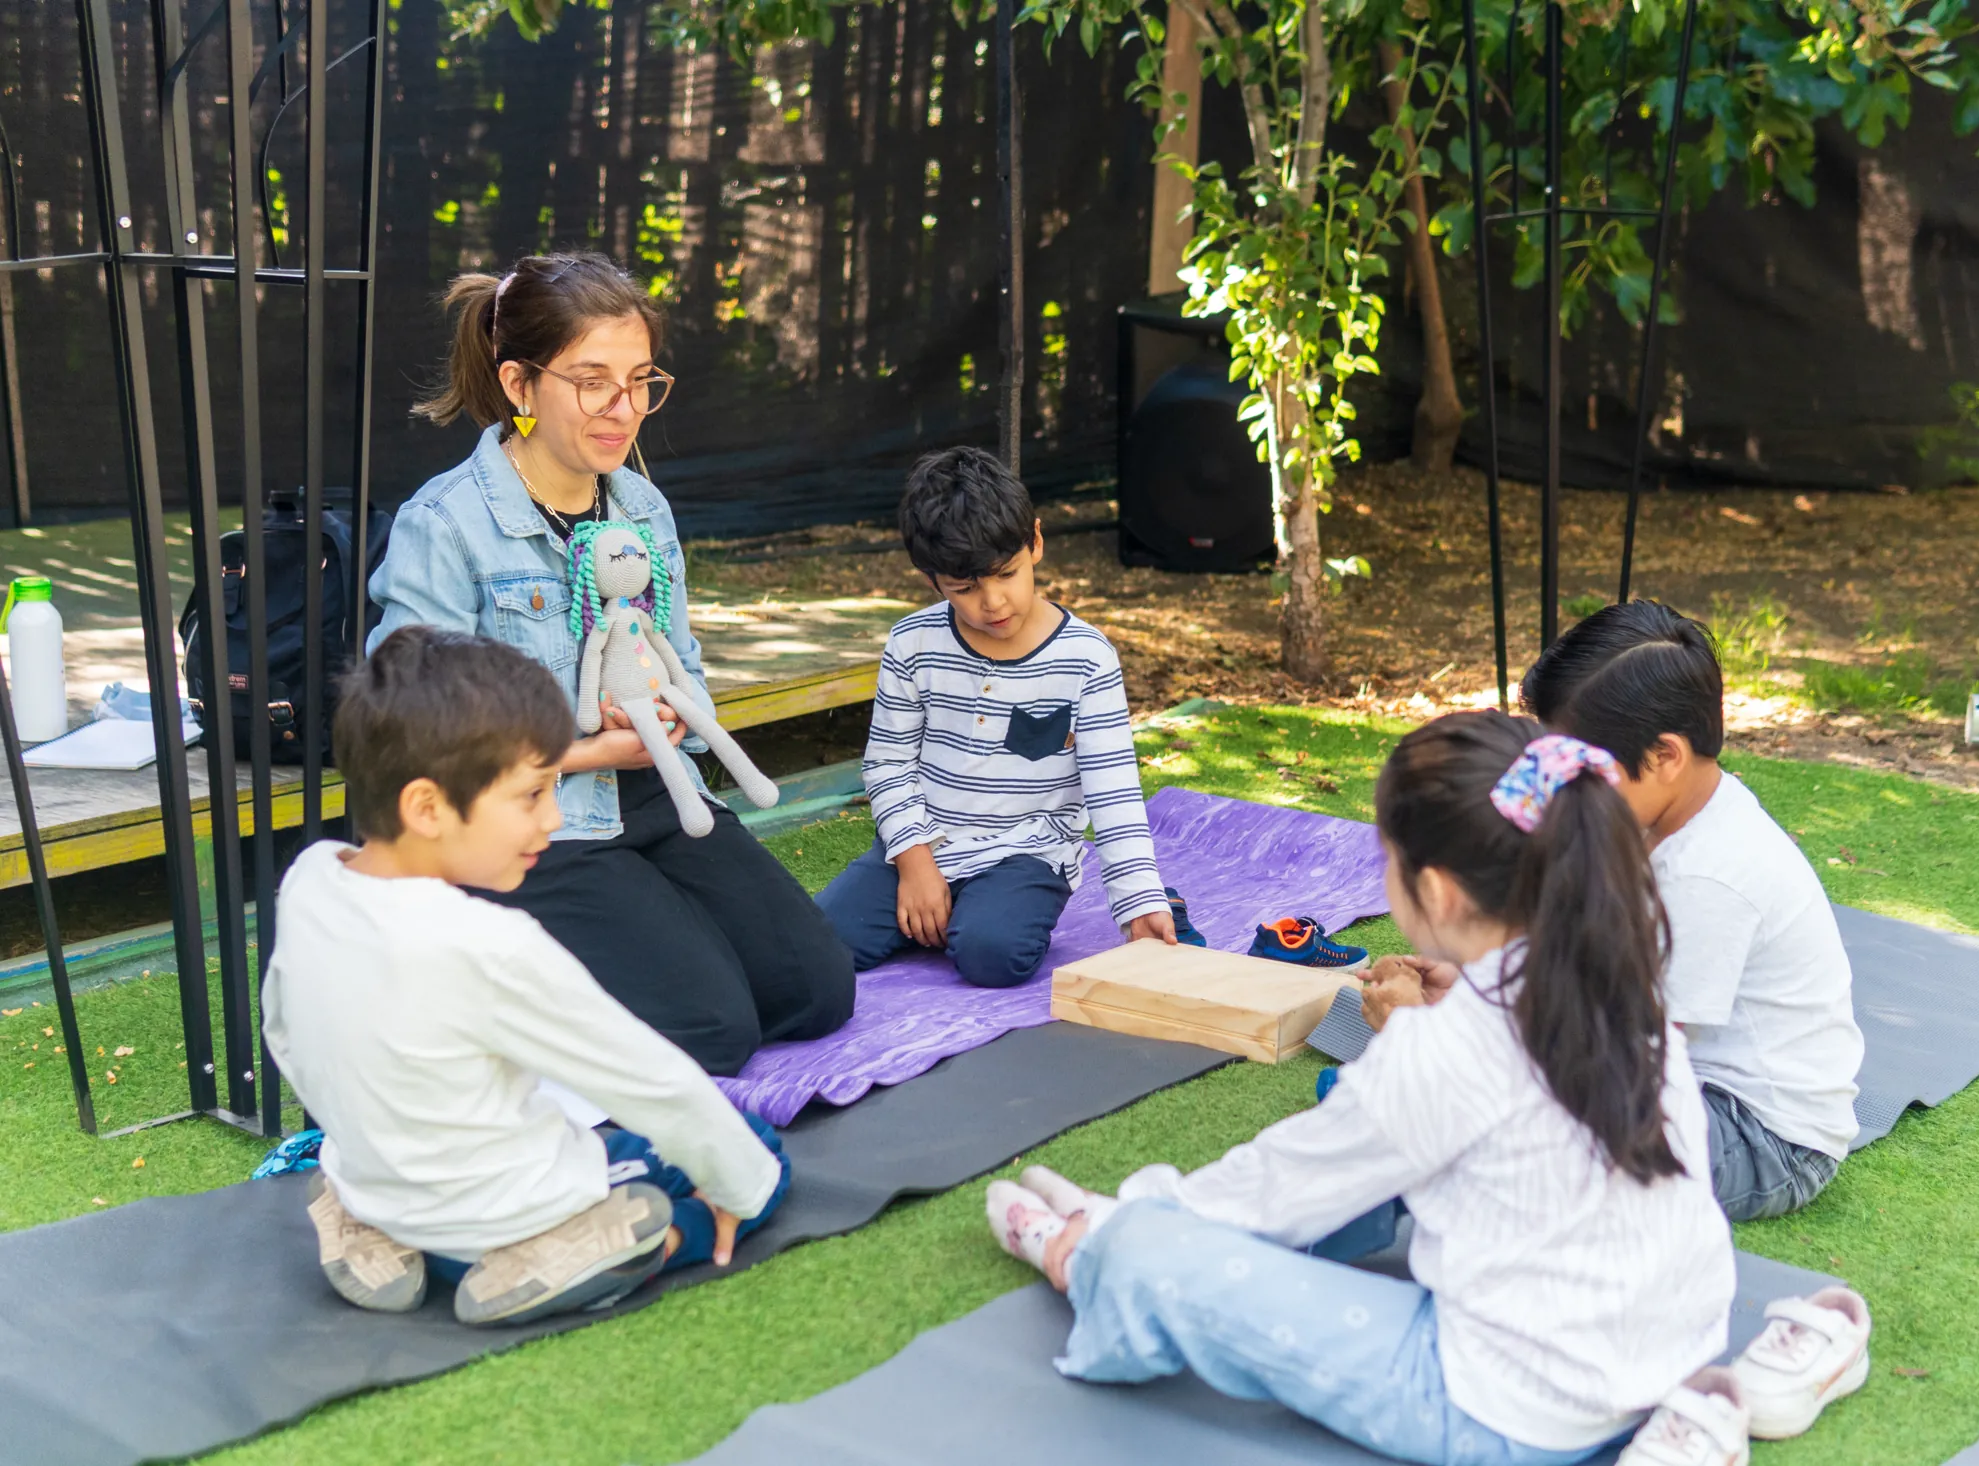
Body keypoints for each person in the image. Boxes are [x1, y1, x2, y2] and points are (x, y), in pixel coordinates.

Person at [978, 713, 1755, 1465]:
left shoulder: (1446, 1047)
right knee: (1352, 1146)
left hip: (1516, 1411)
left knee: (1157, 1249)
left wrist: (1129, 1219)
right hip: (1671, 1351)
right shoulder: (1613, 972)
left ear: (1439, 892)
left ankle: (1081, 1253)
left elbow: (1275, 1184)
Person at [370, 252, 854, 1078]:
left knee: (817, 991)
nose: (622, 409)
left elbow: (683, 659)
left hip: (658, 793)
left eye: (639, 381)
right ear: (520, 384)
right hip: (535, 824)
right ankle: (492, 995)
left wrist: (673, 709)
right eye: (592, 381)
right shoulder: (445, 524)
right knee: (714, 1030)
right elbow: (417, 737)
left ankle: (614, 954)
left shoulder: (640, 505)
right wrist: (595, 750)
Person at [264, 627, 789, 1326]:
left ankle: (362, 1216)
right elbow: (652, 1082)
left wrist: (362, 1143)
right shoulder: (491, 943)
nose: (553, 816)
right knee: (756, 1150)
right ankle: (645, 1241)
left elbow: (285, 1029)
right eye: (533, 793)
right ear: (427, 807)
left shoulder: (312, 880)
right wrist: (742, 1187)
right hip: (504, 1222)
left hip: (377, 1184)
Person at [1516, 600, 1864, 1223]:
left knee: (1532, 1140)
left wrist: (1467, 1033)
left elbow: (1621, 1065)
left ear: (1665, 756)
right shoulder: (1666, 812)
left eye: (1585, 769)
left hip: (1763, 1138)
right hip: (1683, 1076)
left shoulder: (1706, 877)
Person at [816, 448, 1176, 986]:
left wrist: (1138, 901)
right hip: (926, 842)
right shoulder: (912, 644)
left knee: (992, 954)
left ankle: (976, 916)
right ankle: (943, 908)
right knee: (816, 944)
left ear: (1035, 542)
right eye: (965, 588)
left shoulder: (1087, 657)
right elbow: (888, 764)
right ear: (932, 580)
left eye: (1007, 573)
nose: (993, 601)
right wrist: (916, 864)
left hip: (1027, 852)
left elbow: (1113, 789)